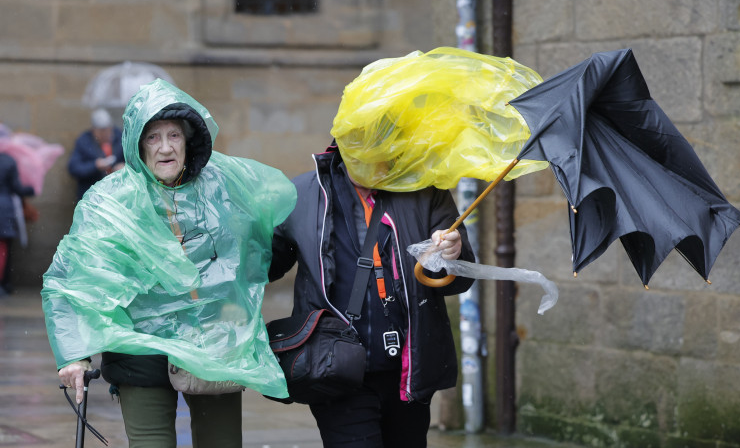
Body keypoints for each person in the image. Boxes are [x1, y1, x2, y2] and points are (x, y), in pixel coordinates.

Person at [43, 80, 296, 447]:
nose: (165, 148)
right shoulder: (109, 202)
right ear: (135, 144)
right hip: (140, 352)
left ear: (188, 140)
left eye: (174, 135)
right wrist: (75, 355)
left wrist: (254, 277)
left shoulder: (223, 186)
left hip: (215, 346)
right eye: (153, 137)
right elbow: (76, 279)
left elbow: (262, 251)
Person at [268, 141, 475, 447]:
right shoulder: (302, 194)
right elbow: (264, 265)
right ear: (341, 140)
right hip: (333, 367)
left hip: (408, 370)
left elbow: (458, 281)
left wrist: (451, 255)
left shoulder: (425, 190)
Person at [68, 107, 125, 201]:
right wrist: (95, 165)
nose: (105, 134)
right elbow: (73, 168)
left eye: (108, 130)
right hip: (92, 195)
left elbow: (135, 161)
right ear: (93, 130)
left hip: (118, 194)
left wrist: (124, 168)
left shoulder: (120, 138)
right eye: (101, 131)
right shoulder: (84, 142)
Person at [0, 152, 34, 296]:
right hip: (4, 209)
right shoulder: (8, 160)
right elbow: (17, 187)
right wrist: (31, 189)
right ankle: (3, 284)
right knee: (3, 249)